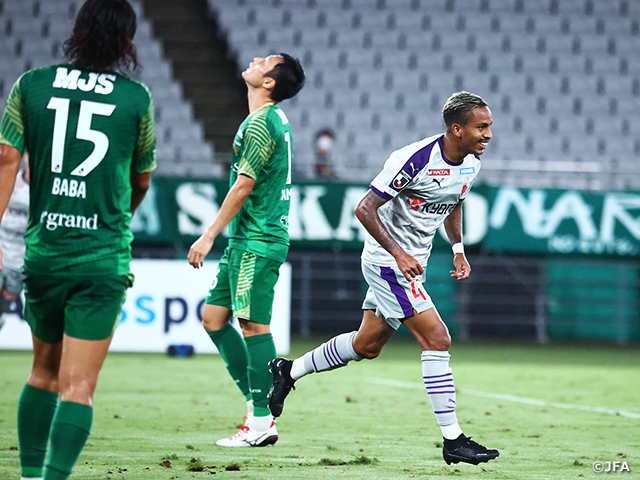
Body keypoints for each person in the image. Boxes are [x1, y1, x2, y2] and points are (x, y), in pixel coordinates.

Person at [269, 91, 500, 466]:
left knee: (367, 345)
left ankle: (288, 370)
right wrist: (398, 252)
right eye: (482, 127)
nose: (489, 134)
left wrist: (457, 249)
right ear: (457, 129)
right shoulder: (414, 160)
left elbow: (455, 202)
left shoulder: (471, 164)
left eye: (489, 126)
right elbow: (364, 208)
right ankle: (453, 440)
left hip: (410, 263)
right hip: (387, 263)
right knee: (437, 338)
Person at [0, 0, 156, 478]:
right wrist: (115, 220)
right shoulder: (137, 99)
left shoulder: (32, 84)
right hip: (101, 259)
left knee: (41, 373)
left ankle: (28, 476)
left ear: (76, 29)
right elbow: (143, 180)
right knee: (78, 387)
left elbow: (7, 161)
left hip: (45, 252)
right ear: (128, 42)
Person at [187, 53, 305, 447]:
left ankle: (260, 421)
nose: (256, 60)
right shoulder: (272, 119)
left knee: (253, 325)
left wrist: (207, 236)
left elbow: (243, 186)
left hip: (258, 238)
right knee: (213, 318)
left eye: (266, 61)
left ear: (270, 82)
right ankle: (257, 405)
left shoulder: (260, 124)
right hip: (247, 239)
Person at [0, 154, 29, 332]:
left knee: (2, 306)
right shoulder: (9, 179)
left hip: (20, 262)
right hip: (1, 250)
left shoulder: (46, 192)